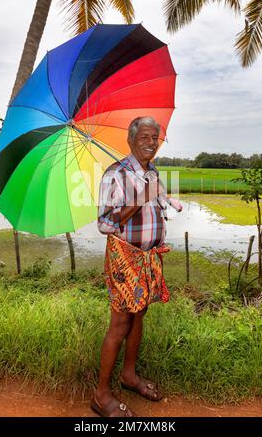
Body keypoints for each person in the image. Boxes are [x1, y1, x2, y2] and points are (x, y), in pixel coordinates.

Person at [91, 116, 182, 417]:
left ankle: (129, 375)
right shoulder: (114, 174)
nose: (151, 142)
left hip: (149, 258)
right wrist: (139, 199)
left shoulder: (152, 172)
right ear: (130, 140)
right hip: (125, 259)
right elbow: (105, 224)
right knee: (120, 323)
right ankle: (100, 395)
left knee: (139, 314)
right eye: (144, 136)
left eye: (155, 137)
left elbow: (158, 205)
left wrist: (162, 199)